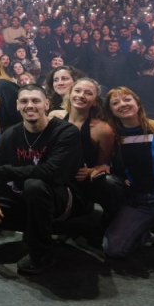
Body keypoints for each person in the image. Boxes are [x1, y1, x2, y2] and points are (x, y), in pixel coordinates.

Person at [0, 84, 85, 275]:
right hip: (25, 198)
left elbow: (51, 172)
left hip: (61, 198)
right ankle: (34, 230)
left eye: (36, 100)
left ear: (46, 104)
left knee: (34, 185)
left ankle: (42, 254)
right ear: (17, 105)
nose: (30, 105)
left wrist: (3, 171)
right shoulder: (11, 134)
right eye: (24, 101)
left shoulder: (66, 132)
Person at [48, 78, 120, 225]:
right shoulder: (54, 116)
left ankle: (112, 220)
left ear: (95, 101)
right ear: (70, 94)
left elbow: (103, 164)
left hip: (82, 181)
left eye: (88, 93)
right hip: (55, 175)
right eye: (78, 91)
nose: (81, 95)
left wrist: (90, 171)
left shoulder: (103, 129)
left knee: (109, 182)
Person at [100, 88, 154, 258]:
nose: (123, 104)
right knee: (113, 249)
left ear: (137, 103)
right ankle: (144, 232)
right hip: (141, 203)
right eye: (115, 103)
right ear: (111, 111)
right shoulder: (113, 137)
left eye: (127, 99)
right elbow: (104, 161)